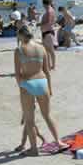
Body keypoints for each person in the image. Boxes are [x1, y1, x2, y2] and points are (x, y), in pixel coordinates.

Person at [14, 26, 66, 156]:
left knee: (29, 120)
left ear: (21, 36)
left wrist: (22, 87)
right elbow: (47, 71)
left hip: (27, 83)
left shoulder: (19, 50)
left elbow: (17, 74)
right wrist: (50, 88)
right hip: (42, 82)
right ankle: (58, 142)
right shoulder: (41, 48)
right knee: (48, 115)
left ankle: (33, 149)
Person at [40, 0, 57, 70]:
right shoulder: (49, 10)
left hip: (48, 32)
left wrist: (41, 25)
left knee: (50, 50)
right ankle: (49, 65)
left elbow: (49, 22)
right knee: (46, 50)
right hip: (46, 32)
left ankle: (53, 66)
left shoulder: (49, 11)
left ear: (44, 4)